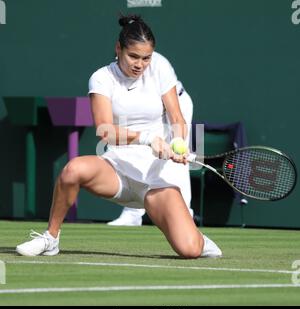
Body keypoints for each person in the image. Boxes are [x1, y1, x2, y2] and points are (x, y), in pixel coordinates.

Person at [16, 14, 222, 258]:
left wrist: (177, 144)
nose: (140, 64)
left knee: (190, 250)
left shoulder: (159, 68)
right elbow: (104, 130)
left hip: (155, 182)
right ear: (118, 48)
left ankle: (194, 235)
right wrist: (148, 139)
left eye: (146, 58)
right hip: (117, 172)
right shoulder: (102, 78)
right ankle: (51, 238)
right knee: (73, 170)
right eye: (133, 56)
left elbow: (177, 118)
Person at [108, 83, 194, 226]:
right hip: (149, 107)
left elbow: (175, 116)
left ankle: (185, 214)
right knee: (138, 148)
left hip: (176, 104)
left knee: (176, 160)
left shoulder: (154, 70)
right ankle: (133, 213)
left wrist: (177, 140)